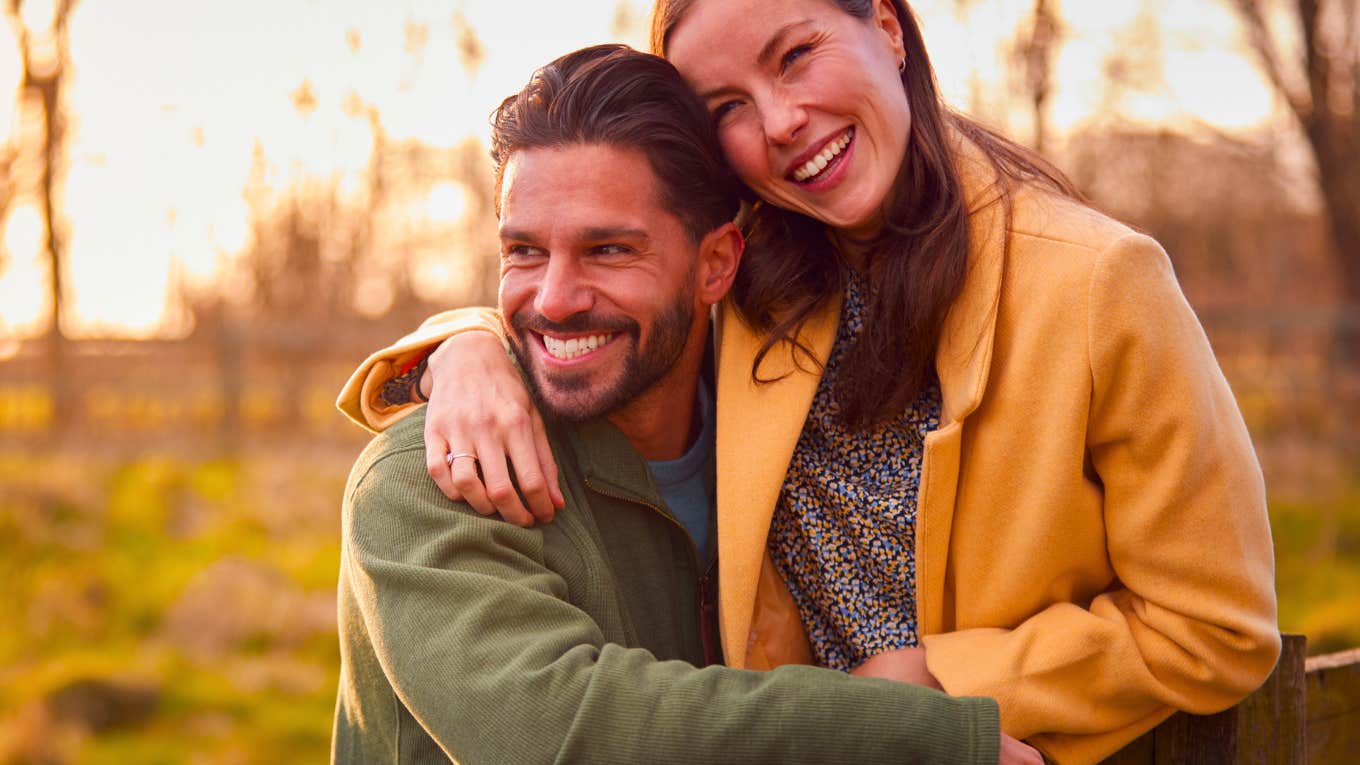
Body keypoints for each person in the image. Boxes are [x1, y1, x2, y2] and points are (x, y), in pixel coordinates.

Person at [338, 2, 1281, 762]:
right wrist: (466, 342)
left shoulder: (1097, 282)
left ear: (886, 25)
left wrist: (931, 686)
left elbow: (1217, 623)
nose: (780, 121)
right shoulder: (763, 277)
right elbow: (588, 277)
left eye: (796, 56)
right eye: (728, 107)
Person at [333, 44, 1038, 764]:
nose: (552, 300)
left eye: (607, 250)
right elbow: (564, 731)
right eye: (524, 251)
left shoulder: (783, 441)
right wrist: (917, 735)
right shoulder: (430, 475)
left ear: (715, 264)